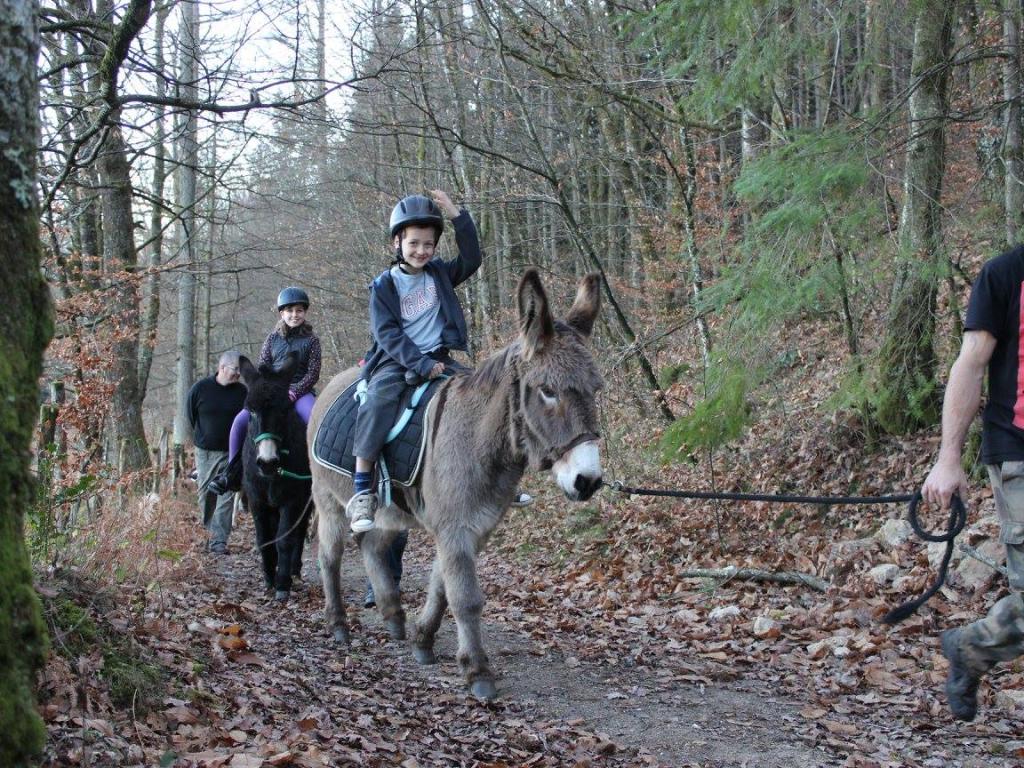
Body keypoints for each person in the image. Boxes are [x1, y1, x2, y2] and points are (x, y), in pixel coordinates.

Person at [922, 243, 1024, 721]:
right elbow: (970, 362)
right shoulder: (1005, 273)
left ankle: (970, 647)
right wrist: (948, 458)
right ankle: (972, 647)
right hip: (1019, 452)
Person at [348, 190, 481, 533]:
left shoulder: (438, 274)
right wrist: (419, 365)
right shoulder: (383, 287)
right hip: (395, 361)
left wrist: (457, 216)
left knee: (483, 393)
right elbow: (388, 335)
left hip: (439, 357)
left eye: (429, 244)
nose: (422, 251)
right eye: (414, 243)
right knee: (377, 403)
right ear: (397, 242)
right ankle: (363, 488)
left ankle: (488, 473)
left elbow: (472, 259)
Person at [209, 287, 322, 495]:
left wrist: (294, 392)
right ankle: (231, 471)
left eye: (299, 311)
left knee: (315, 420)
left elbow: (313, 373)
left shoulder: (312, 341)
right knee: (240, 421)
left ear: (304, 313)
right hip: (273, 394)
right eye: (290, 311)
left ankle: (321, 472)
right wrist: (270, 392)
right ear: (282, 313)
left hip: (300, 392)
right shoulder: (272, 339)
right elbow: (263, 368)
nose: (294, 315)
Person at [187, 351, 247, 554]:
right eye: (235, 369)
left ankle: (219, 542)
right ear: (222, 368)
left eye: (239, 370)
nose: (238, 373)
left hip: (232, 453)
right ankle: (207, 535)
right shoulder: (200, 389)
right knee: (206, 494)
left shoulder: (242, 393)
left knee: (227, 495)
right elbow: (191, 416)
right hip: (205, 452)